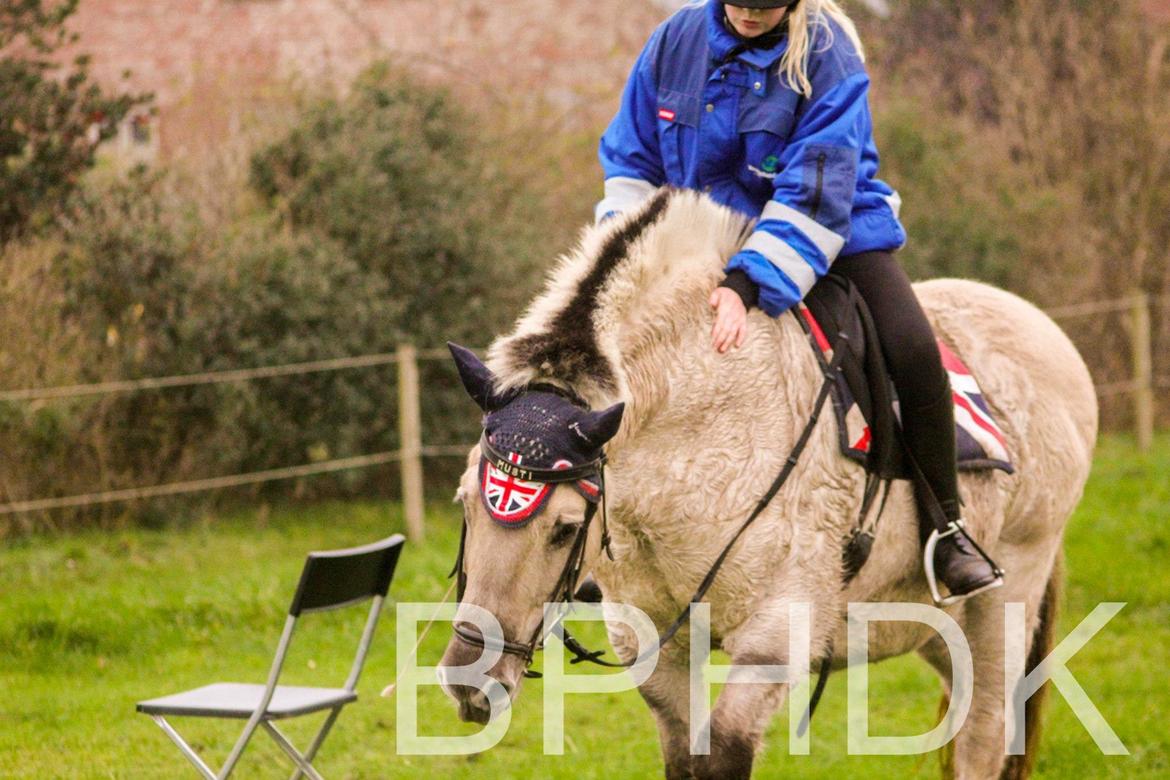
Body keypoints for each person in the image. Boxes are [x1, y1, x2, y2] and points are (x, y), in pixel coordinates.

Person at [596, 0, 1002, 602]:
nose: (749, 15)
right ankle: (597, 546)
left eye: (765, 5)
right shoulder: (672, 40)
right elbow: (633, 163)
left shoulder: (827, 48)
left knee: (913, 347)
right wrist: (628, 262)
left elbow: (817, 183)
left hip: (831, 229)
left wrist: (748, 282)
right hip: (701, 238)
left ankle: (946, 528)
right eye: (738, 2)